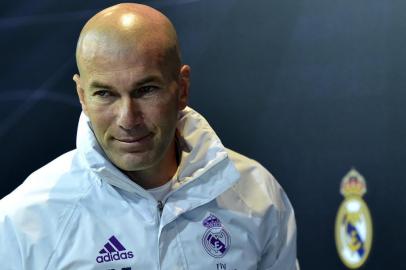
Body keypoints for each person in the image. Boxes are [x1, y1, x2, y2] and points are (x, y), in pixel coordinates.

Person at [0, 3, 298, 269]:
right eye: (105, 94)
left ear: (181, 88)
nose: (128, 119)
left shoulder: (257, 194)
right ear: (82, 96)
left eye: (145, 90)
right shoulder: (24, 220)